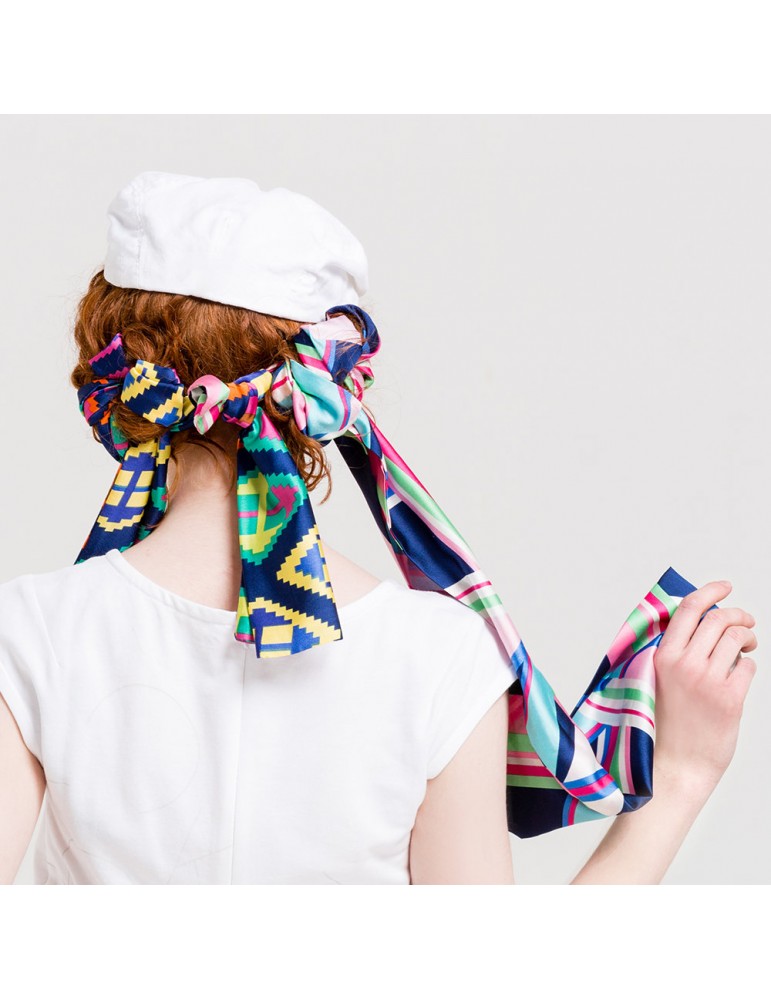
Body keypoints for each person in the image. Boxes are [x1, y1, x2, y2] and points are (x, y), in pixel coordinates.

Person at [0, 172, 759, 885]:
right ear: (334, 380)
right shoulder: (439, 655)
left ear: (115, 376)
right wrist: (680, 774)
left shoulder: (30, 631)